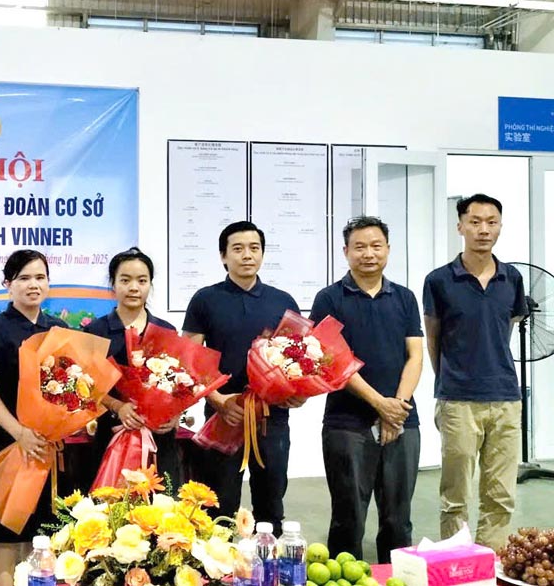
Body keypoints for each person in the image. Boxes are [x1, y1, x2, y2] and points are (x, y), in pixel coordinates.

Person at [311, 216, 423, 563]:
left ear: (388, 250)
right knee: (348, 518)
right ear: (346, 252)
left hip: (403, 421)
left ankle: (398, 578)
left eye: (376, 246)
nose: (369, 253)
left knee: (397, 518)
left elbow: (415, 354)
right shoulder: (329, 298)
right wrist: (380, 404)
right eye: (360, 246)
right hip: (347, 423)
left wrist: (397, 407)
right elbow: (331, 360)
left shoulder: (404, 297)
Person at [182, 220, 302, 534]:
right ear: (223, 256)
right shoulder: (205, 299)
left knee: (271, 501)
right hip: (225, 412)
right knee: (217, 504)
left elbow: (300, 358)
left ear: (262, 254)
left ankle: (269, 573)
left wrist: (297, 393)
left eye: (254, 248)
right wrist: (217, 400)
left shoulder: (283, 301)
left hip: (270, 415)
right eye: (237, 249)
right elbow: (190, 360)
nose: (246, 255)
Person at [423, 193, 527, 551]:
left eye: (491, 222)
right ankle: (457, 563)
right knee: (455, 496)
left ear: (500, 226)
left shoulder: (512, 278)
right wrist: (450, 380)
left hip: (506, 399)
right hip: (458, 400)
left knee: (500, 495)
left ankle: (489, 563)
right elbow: (433, 338)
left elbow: (504, 330)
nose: (484, 230)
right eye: (475, 222)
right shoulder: (439, 280)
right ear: (461, 226)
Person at [0, 250, 68, 586]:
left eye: (40, 277)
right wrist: (19, 432)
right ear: (7, 285)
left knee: (43, 536)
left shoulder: (58, 329)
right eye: (24, 278)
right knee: (5, 534)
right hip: (5, 443)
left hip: (47, 447)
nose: (33, 285)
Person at [84, 247, 182, 484]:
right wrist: (118, 406)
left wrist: (175, 414)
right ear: (113, 284)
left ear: (150, 284)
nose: (134, 288)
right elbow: (86, 385)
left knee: (161, 508)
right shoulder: (95, 331)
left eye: (142, 280)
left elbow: (179, 382)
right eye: (125, 280)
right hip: (110, 431)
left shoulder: (166, 331)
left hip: (159, 436)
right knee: (109, 508)